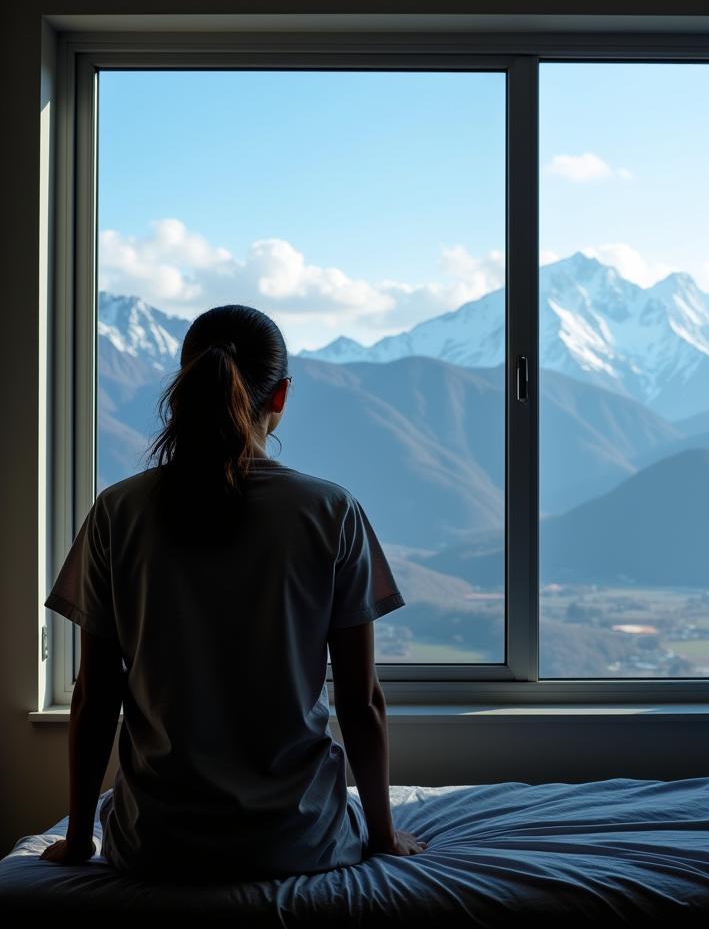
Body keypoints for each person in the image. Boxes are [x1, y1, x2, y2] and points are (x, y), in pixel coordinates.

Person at [39, 303, 428, 881]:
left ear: (185, 384)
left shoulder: (117, 512)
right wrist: (382, 833)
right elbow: (360, 700)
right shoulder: (330, 512)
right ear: (282, 396)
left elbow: (97, 693)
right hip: (301, 840)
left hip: (154, 842)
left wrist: (77, 840)